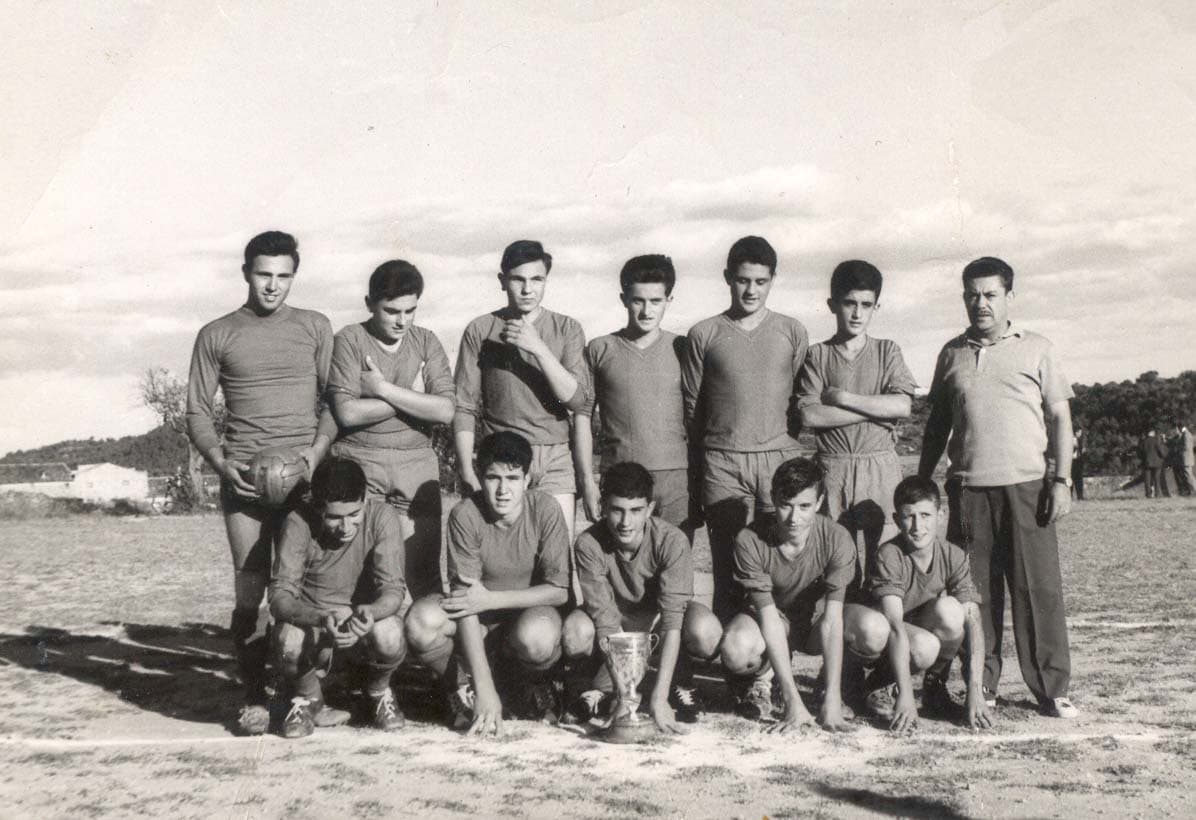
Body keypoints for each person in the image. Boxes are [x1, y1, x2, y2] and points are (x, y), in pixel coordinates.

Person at [185, 230, 335, 735]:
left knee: (302, 589)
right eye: (263, 274)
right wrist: (220, 461)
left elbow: (335, 402)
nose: (273, 285)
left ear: (294, 276)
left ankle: (304, 694)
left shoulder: (315, 326)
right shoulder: (217, 333)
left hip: (302, 481)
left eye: (283, 276)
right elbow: (197, 412)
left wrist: (315, 454)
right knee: (250, 591)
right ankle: (253, 698)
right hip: (245, 483)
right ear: (246, 272)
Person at [919, 256, 1077, 719]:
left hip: (1028, 488)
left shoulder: (1038, 348)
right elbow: (937, 425)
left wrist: (1061, 480)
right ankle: (981, 682)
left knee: (1037, 591)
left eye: (990, 294)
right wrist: (923, 478)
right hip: (969, 490)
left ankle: (1051, 688)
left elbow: (1060, 418)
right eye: (972, 295)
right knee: (976, 594)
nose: (981, 303)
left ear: (1009, 296)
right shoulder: (951, 353)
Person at [686, 457, 885, 731]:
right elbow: (769, 618)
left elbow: (832, 619)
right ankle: (763, 679)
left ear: (819, 502)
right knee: (735, 649)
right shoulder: (749, 540)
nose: (794, 518)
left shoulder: (837, 537)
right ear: (772, 498)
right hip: (771, 619)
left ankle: (831, 686)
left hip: (816, 624)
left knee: (874, 629)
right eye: (786, 505)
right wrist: (793, 703)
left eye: (804, 506)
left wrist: (833, 699)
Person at [404, 432, 572, 737]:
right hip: (480, 622)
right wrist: (484, 688)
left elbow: (559, 591)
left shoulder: (545, 509)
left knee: (538, 637)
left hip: (526, 617)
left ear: (527, 479)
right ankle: (462, 687)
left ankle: (529, 684)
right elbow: (467, 602)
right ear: (480, 477)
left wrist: (492, 599)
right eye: (493, 478)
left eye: (512, 478)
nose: (503, 490)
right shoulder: (465, 515)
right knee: (421, 621)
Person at [681, 236, 809, 620]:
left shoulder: (792, 330)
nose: (751, 290)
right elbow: (693, 407)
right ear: (728, 278)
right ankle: (731, 652)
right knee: (727, 564)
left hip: (777, 459)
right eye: (742, 280)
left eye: (760, 281)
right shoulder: (704, 333)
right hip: (723, 462)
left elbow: (800, 398)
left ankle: (776, 649)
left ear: (772, 280)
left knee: (777, 558)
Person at [325, 260, 454, 600]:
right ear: (370, 303)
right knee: (362, 577)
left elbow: (445, 410)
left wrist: (382, 389)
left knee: (422, 576)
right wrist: (414, 397)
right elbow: (348, 413)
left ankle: (424, 635)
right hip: (360, 463)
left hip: (416, 465)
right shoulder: (350, 339)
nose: (402, 321)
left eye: (410, 311)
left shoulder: (426, 341)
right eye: (392, 311)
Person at [453, 240, 591, 544]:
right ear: (502, 281)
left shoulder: (567, 328)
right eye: (518, 279)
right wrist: (466, 469)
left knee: (557, 555)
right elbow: (463, 406)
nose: (528, 289)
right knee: (504, 553)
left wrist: (537, 347)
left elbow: (577, 400)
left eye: (537, 279)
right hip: (501, 456)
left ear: (546, 280)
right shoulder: (480, 329)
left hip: (554, 457)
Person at [561, 461, 706, 732]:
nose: (626, 522)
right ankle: (593, 688)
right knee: (575, 632)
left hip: (656, 623)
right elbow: (605, 621)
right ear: (603, 507)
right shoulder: (588, 543)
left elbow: (672, 620)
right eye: (617, 510)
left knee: (705, 630)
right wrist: (625, 698)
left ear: (650, 509)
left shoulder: (672, 541)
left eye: (636, 510)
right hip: (617, 626)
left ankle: (676, 682)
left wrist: (659, 699)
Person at [269, 457, 407, 738]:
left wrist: (370, 613)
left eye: (354, 514)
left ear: (365, 499)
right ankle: (309, 697)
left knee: (390, 632)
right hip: (317, 633)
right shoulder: (298, 522)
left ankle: (378, 691)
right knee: (287, 639)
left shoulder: (383, 517)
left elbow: (393, 590)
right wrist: (320, 617)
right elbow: (279, 597)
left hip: (361, 631)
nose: (346, 527)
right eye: (334, 517)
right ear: (317, 506)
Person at [797, 259, 916, 579]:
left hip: (880, 467)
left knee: (886, 564)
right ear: (832, 304)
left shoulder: (887, 351)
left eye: (866, 305)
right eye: (849, 303)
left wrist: (843, 398)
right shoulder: (818, 355)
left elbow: (902, 406)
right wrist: (875, 412)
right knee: (840, 565)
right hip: (833, 467)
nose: (857, 313)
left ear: (876, 306)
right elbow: (810, 414)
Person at [574, 254, 694, 537]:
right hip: (619, 477)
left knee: (674, 559)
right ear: (624, 299)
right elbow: (582, 417)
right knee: (620, 561)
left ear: (669, 300)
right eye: (638, 300)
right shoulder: (600, 349)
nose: (647, 311)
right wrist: (587, 482)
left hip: (676, 481)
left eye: (656, 301)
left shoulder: (683, 348)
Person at [864, 476, 992, 732]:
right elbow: (894, 625)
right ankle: (879, 684)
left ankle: (934, 687)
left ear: (940, 516)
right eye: (909, 516)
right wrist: (907, 696)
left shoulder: (953, 554)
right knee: (925, 645)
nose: (917, 526)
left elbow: (974, 619)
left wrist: (975, 690)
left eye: (925, 515)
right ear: (896, 519)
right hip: (886, 639)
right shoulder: (890, 554)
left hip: (916, 634)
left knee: (952, 611)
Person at [1140, 429, 1169, 499]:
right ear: (1153, 433)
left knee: (1147, 479)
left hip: (1147, 462)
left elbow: (1140, 453)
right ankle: (1157, 494)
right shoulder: (1157, 441)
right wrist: (1164, 456)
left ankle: (1148, 494)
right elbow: (1161, 451)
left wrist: (1144, 459)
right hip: (1157, 463)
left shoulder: (1143, 441)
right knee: (1157, 479)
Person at [1175, 420, 1195, 497]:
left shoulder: (1186, 434)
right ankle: (1192, 490)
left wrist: (1178, 448)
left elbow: (1186, 446)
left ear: (1180, 427)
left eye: (1177, 428)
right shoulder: (1186, 434)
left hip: (1187, 459)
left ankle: (1194, 490)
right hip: (1187, 459)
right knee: (1188, 475)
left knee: (1189, 475)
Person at [1071, 426, 1086, 501]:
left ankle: (1080, 496)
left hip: (1078, 461)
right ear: (1076, 432)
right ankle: (1070, 496)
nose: (1080, 434)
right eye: (1079, 432)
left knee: (1079, 479)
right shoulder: (1071, 439)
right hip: (1072, 461)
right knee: (1071, 478)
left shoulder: (1080, 440)